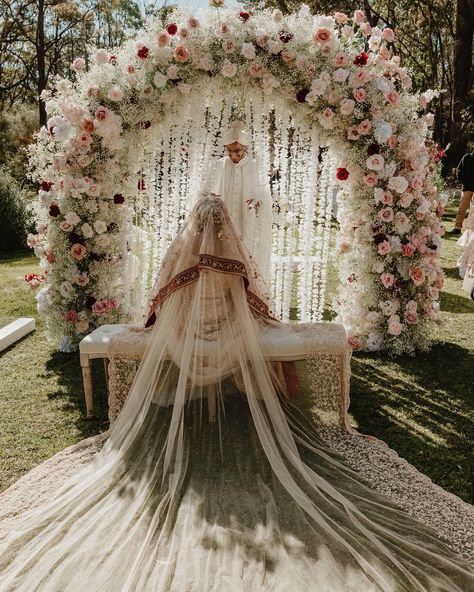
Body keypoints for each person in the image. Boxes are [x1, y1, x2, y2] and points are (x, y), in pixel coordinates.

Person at [0, 196, 473, 591]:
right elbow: (254, 305)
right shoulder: (234, 261)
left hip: (187, 343)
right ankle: (265, 407)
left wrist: (170, 329)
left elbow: (160, 307)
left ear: (191, 226)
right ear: (224, 225)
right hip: (228, 339)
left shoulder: (179, 261)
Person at [212, 121, 272, 283]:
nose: (233, 155)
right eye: (229, 150)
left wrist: (258, 200)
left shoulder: (254, 166)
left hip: (246, 217)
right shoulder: (221, 165)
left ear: (245, 148)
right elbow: (212, 189)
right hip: (224, 218)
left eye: (237, 150)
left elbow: (264, 195)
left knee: (245, 253)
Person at [448, 151, 474, 235]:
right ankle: (457, 228)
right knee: (462, 209)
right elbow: (459, 171)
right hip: (467, 188)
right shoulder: (466, 157)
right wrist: (464, 182)